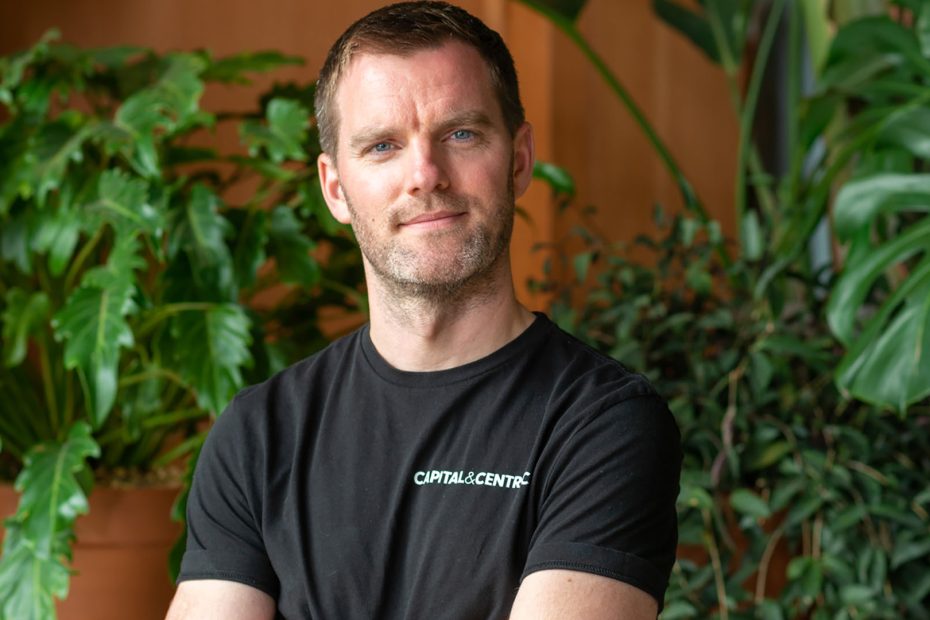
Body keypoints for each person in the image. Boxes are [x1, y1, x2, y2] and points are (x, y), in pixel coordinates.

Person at [166, 2, 680, 618]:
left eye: (461, 134)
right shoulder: (259, 433)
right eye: (382, 146)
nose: (425, 175)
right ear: (335, 188)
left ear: (518, 160)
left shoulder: (600, 423)